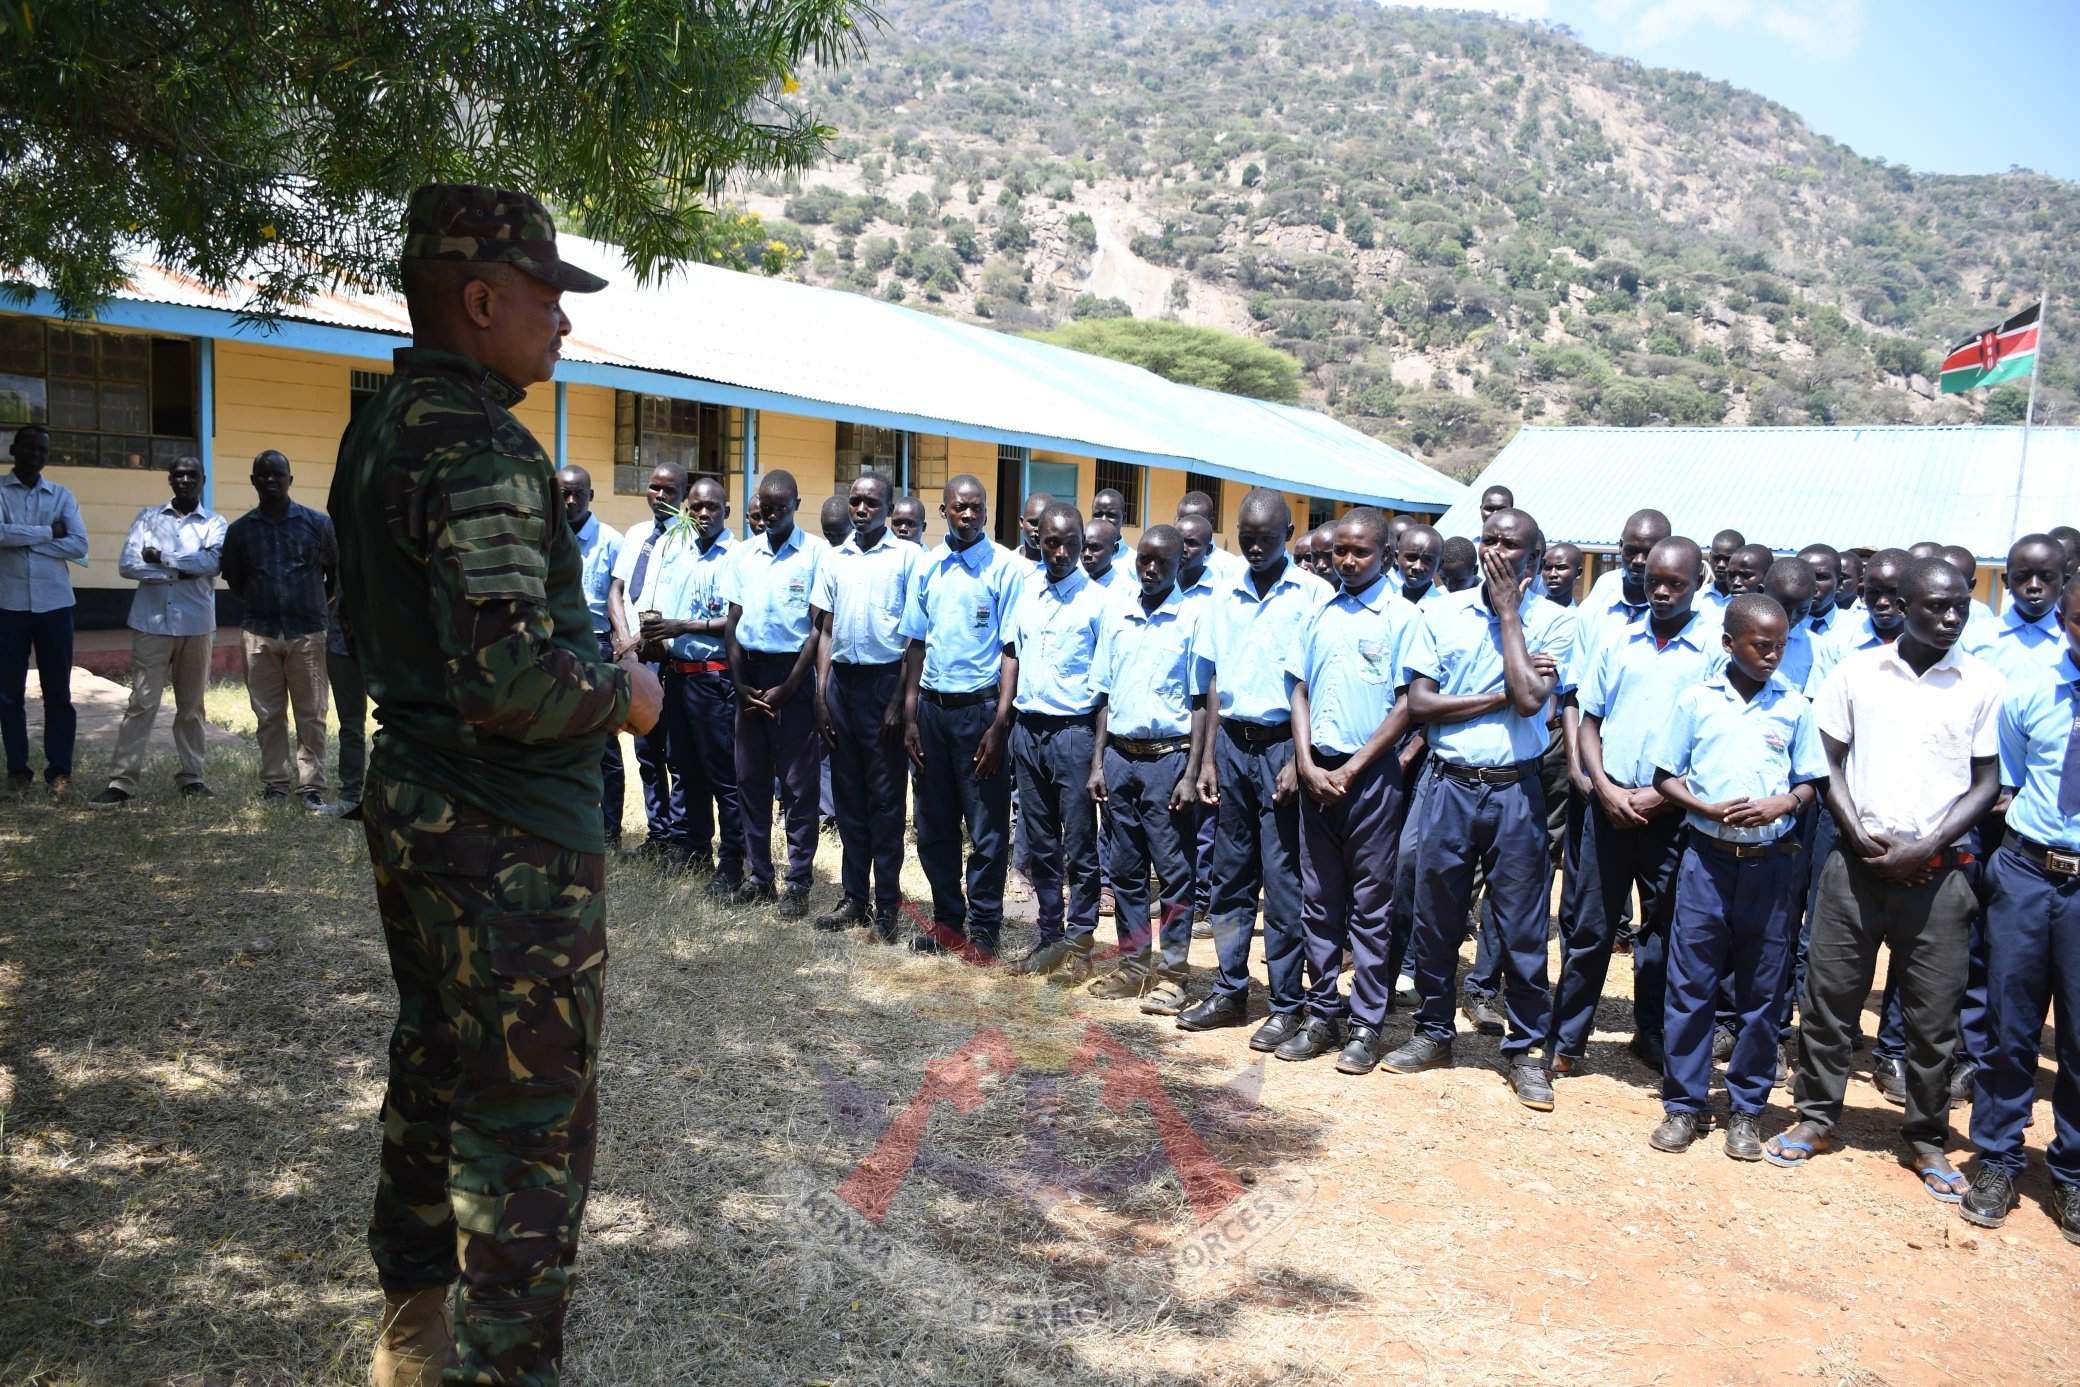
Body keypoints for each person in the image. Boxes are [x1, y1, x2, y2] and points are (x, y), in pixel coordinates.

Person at [329, 184, 660, 1387]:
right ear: (479, 300)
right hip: (506, 835)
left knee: (433, 1058)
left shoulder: (379, 430)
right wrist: (624, 694)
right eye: (544, 298)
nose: (562, 325)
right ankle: (502, 1366)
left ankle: (411, 1330)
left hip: (416, 808)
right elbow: (509, 677)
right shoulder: (478, 445)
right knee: (526, 1123)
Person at [1767, 559, 1999, 1204]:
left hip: (1941, 874)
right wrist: (1859, 834)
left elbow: (1986, 783)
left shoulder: (1981, 684)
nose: (1951, 617)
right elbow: (1826, 763)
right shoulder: (1857, 673)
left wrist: (1927, 844)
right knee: (1831, 998)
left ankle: (1927, 1136)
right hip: (1855, 866)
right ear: (1906, 604)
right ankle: (1815, 1116)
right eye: (1938, 607)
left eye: (1961, 606)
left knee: (1933, 1017)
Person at [1389, 507, 1572, 1108]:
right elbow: (1420, 704)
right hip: (1448, 784)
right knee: (1436, 915)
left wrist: (1509, 616)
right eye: (1488, 539)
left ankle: (1523, 1051)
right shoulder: (1437, 613)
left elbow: (1530, 703)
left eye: (1510, 544)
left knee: (1520, 926)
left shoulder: (1555, 623)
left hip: (1516, 789)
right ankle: (1435, 1032)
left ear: (1535, 559)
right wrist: (1497, 694)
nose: (1495, 550)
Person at [1646, 594, 1824, 1157]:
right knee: (1692, 984)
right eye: (1760, 645)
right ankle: (1685, 1104)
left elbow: (1809, 782)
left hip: (1771, 867)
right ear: (1729, 644)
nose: (1772, 655)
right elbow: (1665, 776)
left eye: (1780, 646)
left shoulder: (1794, 707)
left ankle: (1746, 1108)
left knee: (1762, 992)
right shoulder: (1697, 701)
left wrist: (1783, 803)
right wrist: (1706, 809)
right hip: (1708, 861)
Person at [1553, 535, 1716, 1072]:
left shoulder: (1715, 650)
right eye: (1654, 584)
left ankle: (1652, 1034)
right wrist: (1602, 785)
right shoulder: (1618, 639)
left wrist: (1661, 796)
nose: (1664, 592)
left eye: (1677, 584)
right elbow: (1590, 720)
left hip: (1672, 816)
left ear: (1698, 583)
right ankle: (1568, 1040)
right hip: (1610, 806)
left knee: (1664, 933)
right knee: (1590, 928)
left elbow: (1718, 739)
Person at [1178, 489, 1331, 1046]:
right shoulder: (1222, 597)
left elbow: (1315, 683)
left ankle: (1287, 1002)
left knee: (1284, 880)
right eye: (1247, 538)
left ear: (1288, 535)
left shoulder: (1314, 595)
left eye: (1268, 538)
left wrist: (1300, 755)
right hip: (1235, 749)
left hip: (1284, 751)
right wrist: (1210, 758)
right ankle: (1230, 988)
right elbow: (1214, 681)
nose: (1257, 547)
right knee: (1229, 874)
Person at [1282, 508, 1418, 1070]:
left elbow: (1409, 703)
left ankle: (1366, 1025)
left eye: (1360, 551)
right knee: (1319, 902)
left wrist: (1354, 768)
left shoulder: (1402, 617)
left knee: (1370, 906)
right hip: (1319, 777)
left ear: (1385, 553)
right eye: (1340, 550)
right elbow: (1298, 689)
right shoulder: (1319, 612)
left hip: (1371, 778)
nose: (1347, 560)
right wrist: (1307, 761)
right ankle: (1321, 1014)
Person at [1964, 574, 2080, 1238]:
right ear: (2065, 618)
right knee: (2010, 1026)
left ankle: (2072, 1172)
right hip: (2029, 873)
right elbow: (2003, 784)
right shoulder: (2028, 692)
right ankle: (2000, 1158)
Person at [899, 475, 1025, 956]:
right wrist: (911, 716)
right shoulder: (928, 566)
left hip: (980, 714)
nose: (967, 515)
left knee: (987, 829)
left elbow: (1011, 650)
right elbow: (915, 644)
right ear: (945, 510)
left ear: (987, 512)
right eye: (959, 507)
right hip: (932, 710)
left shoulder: (1004, 568)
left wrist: (1000, 722)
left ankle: (985, 929)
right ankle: (947, 923)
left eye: (976, 507)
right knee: (933, 825)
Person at [1087, 524, 1209, 1012]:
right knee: (1125, 869)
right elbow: (1103, 696)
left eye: (1163, 561)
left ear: (1181, 564)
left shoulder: (1193, 618)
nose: (1152, 569)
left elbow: (1202, 703)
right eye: (1144, 561)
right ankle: (1135, 966)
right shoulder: (1117, 614)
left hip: (1168, 761)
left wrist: (1192, 772)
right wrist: (1098, 763)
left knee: (1175, 873)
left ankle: (1174, 975)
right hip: (1120, 759)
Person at [810, 471, 919, 942]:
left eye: (871, 502)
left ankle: (888, 903)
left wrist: (899, 700)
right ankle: (855, 898)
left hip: (884, 686)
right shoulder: (834, 559)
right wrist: (820, 693)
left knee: (885, 801)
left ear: (889, 508)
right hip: (842, 685)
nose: (860, 509)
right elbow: (826, 631)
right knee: (849, 800)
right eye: (855, 500)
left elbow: (915, 636)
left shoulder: (909, 558)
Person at [1004, 503, 1111, 980]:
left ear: (1084, 541)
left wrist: (1098, 759)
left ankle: (1080, 942)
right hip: (1029, 731)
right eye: (1052, 542)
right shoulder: (1025, 592)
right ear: (1039, 541)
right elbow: (1012, 653)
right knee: (1042, 846)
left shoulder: (1099, 602)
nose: (1062, 552)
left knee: (1080, 848)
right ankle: (1049, 938)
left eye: (1071, 542)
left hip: (1074, 734)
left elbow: (1106, 688)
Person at [90, 455, 226, 807]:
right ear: (169, 479)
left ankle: (192, 777)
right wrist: (183, 570)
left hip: (195, 626)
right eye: (178, 475)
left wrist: (162, 558)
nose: (185, 480)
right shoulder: (147, 518)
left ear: (202, 479)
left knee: (192, 706)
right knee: (141, 702)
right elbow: (128, 565)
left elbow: (212, 563)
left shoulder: (214, 523)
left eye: (191, 475)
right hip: (151, 624)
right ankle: (121, 782)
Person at [723, 470, 828, 916]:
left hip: (793, 678)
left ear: (795, 505)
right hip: (749, 676)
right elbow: (731, 622)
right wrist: (739, 682)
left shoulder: (816, 554)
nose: (770, 515)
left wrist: (789, 687)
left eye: (779, 507)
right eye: (764, 507)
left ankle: (799, 882)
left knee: (799, 786)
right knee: (749, 780)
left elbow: (817, 628)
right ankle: (759, 877)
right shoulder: (743, 554)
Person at [639, 475, 743, 889]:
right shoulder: (679, 554)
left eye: (712, 507)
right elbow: (663, 613)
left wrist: (681, 625)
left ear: (726, 511)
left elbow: (735, 621)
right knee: (683, 768)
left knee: (724, 776)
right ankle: (694, 850)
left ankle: (733, 862)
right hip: (676, 678)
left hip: (715, 680)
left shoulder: (736, 556)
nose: (703, 514)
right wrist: (654, 635)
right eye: (696, 507)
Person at [221, 449, 337, 809]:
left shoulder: (318, 524)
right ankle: (275, 782)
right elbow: (236, 582)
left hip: (307, 632)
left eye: (277, 474)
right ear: (253, 481)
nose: (270, 480)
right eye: (263, 474)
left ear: (290, 479)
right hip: (260, 632)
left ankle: (311, 786)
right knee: (268, 714)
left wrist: (308, 604)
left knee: (312, 714)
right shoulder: (240, 531)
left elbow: (333, 578)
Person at [1, 424, 88, 798]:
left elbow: (79, 543)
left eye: (42, 450)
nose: (36, 455)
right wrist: (48, 533)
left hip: (55, 605)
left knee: (58, 692)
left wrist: (21, 538)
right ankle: (18, 772)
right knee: (8, 695)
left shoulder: (63, 495)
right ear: (13, 449)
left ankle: (59, 773)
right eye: (29, 448)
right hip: (8, 605)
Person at [609, 463, 690, 858]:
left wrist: (643, 638)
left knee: (674, 751)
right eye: (654, 488)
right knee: (645, 749)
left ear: (684, 496)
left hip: (667, 659)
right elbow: (618, 589)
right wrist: (624, 639)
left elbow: (679, 605)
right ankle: (657, 833)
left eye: (670, 491)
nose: (660, 496)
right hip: (634, 658)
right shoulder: (636, 534)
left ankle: (679, 835)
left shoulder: (689, 539)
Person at [557, 465, 624, 844]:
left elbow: (621, 603)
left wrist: (618, 650)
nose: (570, 502)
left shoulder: (611, 542)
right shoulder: (546, 538)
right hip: (554, 645)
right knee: (557, 734)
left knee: (603, 743)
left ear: (590, 496)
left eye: (577, 494)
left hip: (596, 646)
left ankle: (609, 829)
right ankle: (565, 818)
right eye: (563, 494)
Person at [1962, 534, 2067, 685]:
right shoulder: (1974, 637)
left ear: (2065, 582)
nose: (2034, 585)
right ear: (2006, 581)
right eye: (2022, 577)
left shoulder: (2073, 642)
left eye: (2047, 577)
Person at [1760, 557, 1821, 692]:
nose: (1791, 618)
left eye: (1802, 610)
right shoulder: (1735, 638)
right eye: (1783, 608)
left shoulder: (1818, 649)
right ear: (1761, 592)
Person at [1177, 490, 1244, 584]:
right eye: (1183, 520)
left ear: (1211, 523)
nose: (1190, 526)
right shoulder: (1166, 561)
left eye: (1198, 521)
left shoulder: (1229, 566)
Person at [1939, 544, 1996, 631]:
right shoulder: (1918, 608)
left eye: (1956, 581)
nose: (1952, 618)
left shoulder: (1982, 614)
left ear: (1971, 585)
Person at [1797, 544, 1843, 643]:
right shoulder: (1780, 628)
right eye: (1804, 577)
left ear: (1839, 583)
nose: (1811, 585)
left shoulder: (1858, 627)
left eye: (1821, 577)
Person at [1394, 524, 1443, 606]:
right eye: (1411, 557)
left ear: (1439, 565)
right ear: (1396, 558)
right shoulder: (1383, 605)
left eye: (1428, 560)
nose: (1418, 567)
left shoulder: (1448, 610)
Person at [1704, 529, 1745, 610]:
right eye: (1716, 558)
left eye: (1728, 559)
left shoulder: (1749, 601)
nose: (1721, 565)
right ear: (1710, 556)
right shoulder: (1695, 598)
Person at [1092, 486, 1132, 559]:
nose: (1103, 520)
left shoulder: (1134, 562)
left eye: (1111, 515)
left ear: (1123, 519)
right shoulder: (1077, 560)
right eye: (1097, 515)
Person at [1016, 490, 1053, 567]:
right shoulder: (1007, 561)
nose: (1038, 529)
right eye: (1033, 523)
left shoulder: (1062, 567)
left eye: (1044, 524)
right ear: (1021, 522)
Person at [1083, 518, 1122, 589]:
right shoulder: (1072, 586)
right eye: (1082, 547)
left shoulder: (1130, 591)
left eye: (1095, 547)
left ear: (1114, 549)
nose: (1086, 554)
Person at [1541, 542, 1582, 608]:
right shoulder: (1526, 612)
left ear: (1578, 573)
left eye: (1561, 568)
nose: (1552, 574)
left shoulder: (1580, 617)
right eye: (1547, 568)